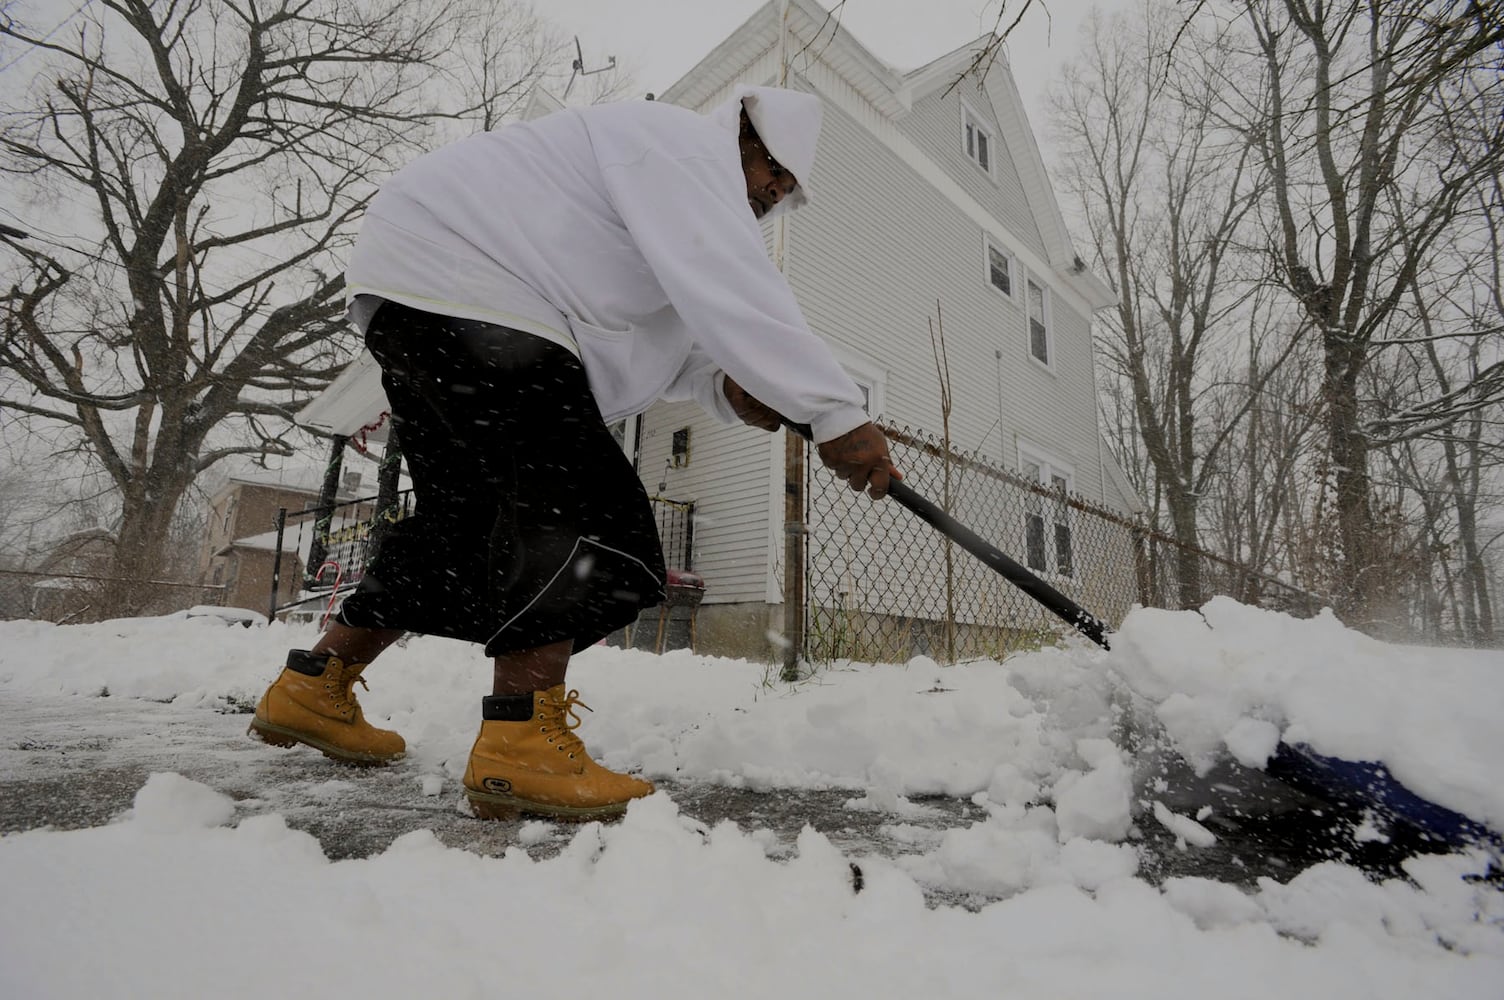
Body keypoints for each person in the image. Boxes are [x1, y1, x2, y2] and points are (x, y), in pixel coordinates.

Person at [249, 85, 901, 821]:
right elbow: (735, 291)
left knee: (461, 522)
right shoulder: (681, 146)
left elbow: (671, 338)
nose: (772, 192)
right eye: (771, 171)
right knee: (577, 503)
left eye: (785, 190)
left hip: (420, 298)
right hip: (471, 286)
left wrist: (730, 387)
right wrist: (839, 413)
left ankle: (315, 683)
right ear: (742, 136)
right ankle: (521, 741)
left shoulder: (659, 202)